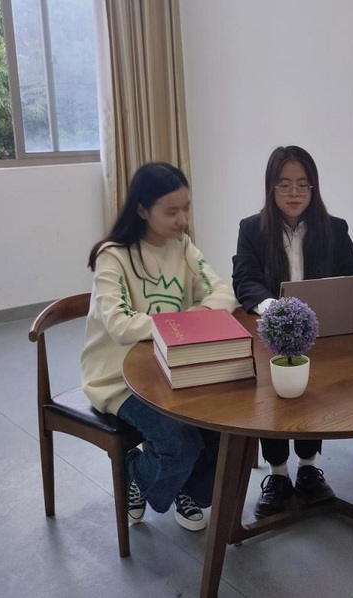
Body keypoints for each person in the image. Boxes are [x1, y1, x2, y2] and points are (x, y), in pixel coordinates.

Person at [81, 162, 238, 531]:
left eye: (186, 208)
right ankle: (134, 474)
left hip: (172, 367)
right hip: (118, 378)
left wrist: (195, 315)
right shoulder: (112, 256)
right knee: (180, 444)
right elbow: (120, 325)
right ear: (142, 210)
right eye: (171, 211)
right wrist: (183, 323)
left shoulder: (182, 247)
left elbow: (223, 293)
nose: (183, 220)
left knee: (225, 424)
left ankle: (188, 489)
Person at [232, 145, 353, 519]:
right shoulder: (251, 229)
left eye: (303, 184)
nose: (294, 193)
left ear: (313, 188)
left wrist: (340, 298)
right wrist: (273, 309)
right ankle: (278, 474)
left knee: (315, 391)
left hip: (320, 333)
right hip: (271, 330)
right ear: (271, 187)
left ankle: (308, 467)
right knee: (269, 392)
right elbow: (244, 280)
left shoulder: (335, 229)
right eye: (284, 184)